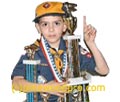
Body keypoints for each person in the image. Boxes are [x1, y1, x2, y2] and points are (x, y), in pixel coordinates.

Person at [11, 1, 109, 102]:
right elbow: (16, 83)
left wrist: (91, 44)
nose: (51, 29)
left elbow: (103, 70)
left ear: (65, 26)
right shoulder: (32, 53)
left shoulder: (73, 49)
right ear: (38, 27)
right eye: (45, 24)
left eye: (56, 23)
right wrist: (47, 88)